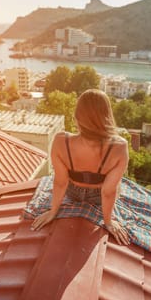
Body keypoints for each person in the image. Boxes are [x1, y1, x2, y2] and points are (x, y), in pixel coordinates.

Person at [30, 89, 130, 245]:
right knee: (119, 185)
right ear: (107, 116)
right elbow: (108, 191)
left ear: (78, 116)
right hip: (99, 199)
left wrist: (53, 211)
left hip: (72, 193)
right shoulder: (120, 146)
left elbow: (61, 182)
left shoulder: (61, 140)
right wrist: (108, 222)